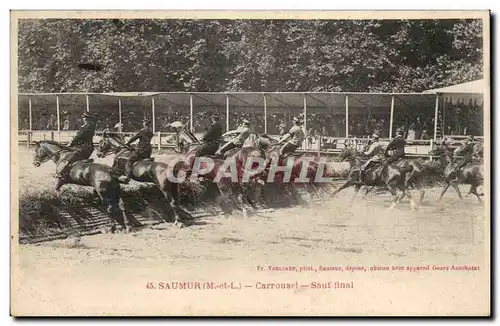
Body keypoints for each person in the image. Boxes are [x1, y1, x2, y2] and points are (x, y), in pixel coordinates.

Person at [55, 112, 97, 188]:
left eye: (85, 118)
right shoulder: (89, 126)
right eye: (84, 117)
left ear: (87, 119)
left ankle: (62, 173)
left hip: (84, 147)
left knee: (70, 157)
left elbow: (79, 136)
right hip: (86, 146)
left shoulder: (88, 126)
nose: (83, 119)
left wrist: (71, 142)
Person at [121, 117, 154, 183]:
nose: (142, 123)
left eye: (143, 122)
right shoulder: (150, 132)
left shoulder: (142, 131)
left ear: (145, 123)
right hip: (148, 151)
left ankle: (127, 177)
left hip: (141, 150)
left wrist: (128, 143)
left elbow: (134, 138)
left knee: (129, 161)